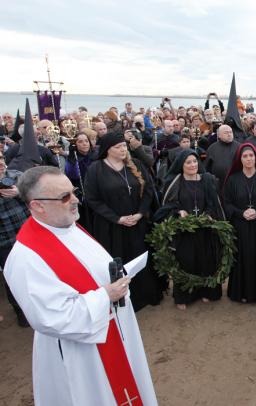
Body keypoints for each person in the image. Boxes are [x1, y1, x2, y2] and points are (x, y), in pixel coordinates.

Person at [4, 166, 158, 405]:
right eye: (64, 197)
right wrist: (105, 295)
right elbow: (49, 317)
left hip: (113, 331)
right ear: (37, 206)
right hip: (82, 353)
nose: (75, 200)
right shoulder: (27, 257)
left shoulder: (69, 226)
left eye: (73, 192)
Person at [84, 133, 163, 312]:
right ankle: (124, 299)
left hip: (137, 223)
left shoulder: (135, 164)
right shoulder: (96, 169)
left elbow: (149, 190)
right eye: (118, 147)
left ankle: (147, 295)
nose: (123, 149)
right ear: (107, 150)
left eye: (124, 146)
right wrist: (117, 218)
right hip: (111, 226)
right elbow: (92, 199)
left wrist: (141, 213)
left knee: (141, 259)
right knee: (119, 261)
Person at [155, 149, 225, 310]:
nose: (193, 165)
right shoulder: (175, 181)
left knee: (206, 260)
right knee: (186, 261)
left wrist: (208, 214)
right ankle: (184, 296)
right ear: (181, 165)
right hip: (184, 231)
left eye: (194, 161)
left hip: (204, 229)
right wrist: (178, 211)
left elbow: (213, 203)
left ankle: (207, 292)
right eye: (188, 162)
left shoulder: (206, 179)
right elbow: (167, 206)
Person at [224, 143, 256, 303]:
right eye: (245, 156)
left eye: (251, 156)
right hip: (240, 226)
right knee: (242, 257)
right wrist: (241, 213)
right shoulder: (232, 180)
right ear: (240, 159)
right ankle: (241, 292)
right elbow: (227, 202)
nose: (248, 159)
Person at [0, 151, 30, 327]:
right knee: (12, 276)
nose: (2, 163)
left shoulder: (17, 176)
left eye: (2, 159)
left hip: (27, 235)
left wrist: (19, 192)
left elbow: (35, 195)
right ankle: (20, 311)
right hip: (4, 241)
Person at [64, 132, 98, 232]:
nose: (84, 144)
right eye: (80, 141)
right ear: (75, 144)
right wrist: (73, 160)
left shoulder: (96, 156)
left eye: (86, 141)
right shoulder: (72, 159)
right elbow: (73, 175)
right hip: (82, 197)